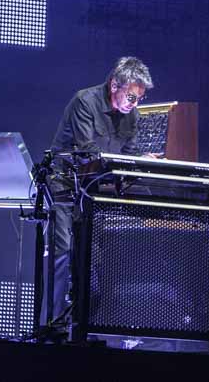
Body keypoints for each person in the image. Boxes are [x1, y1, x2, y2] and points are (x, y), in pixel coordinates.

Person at [43, 56, 154, 327]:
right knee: (63, 251)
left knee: (97, 256)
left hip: (96, 190)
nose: (134, 103)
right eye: (130, 96)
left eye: (139, 98)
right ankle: (52, 324)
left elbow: (129, 153)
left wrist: (146, 160)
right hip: (65, 186)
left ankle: (89, 324)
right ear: (114, 84)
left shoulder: (133, 115)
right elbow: (87, 152)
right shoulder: (85, 101)